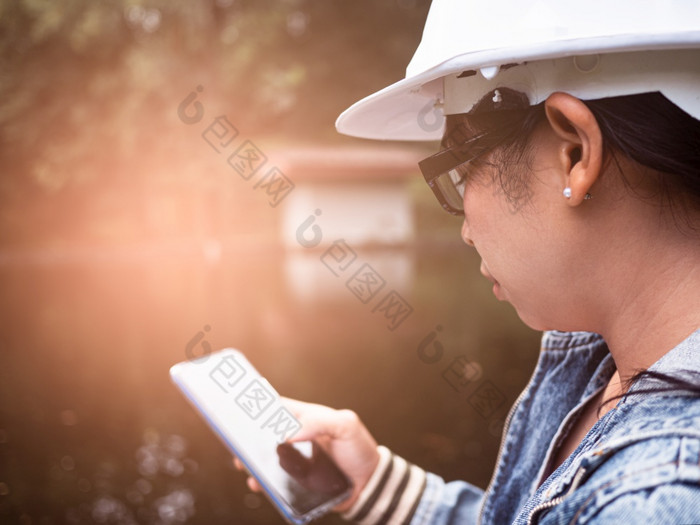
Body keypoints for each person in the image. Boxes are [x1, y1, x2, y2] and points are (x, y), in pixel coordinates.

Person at [239, 1, 700, 522]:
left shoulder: (654, 503)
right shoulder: (609, 358)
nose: (464, 228)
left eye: (461, 173)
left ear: (573, 152)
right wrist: (379, 490)